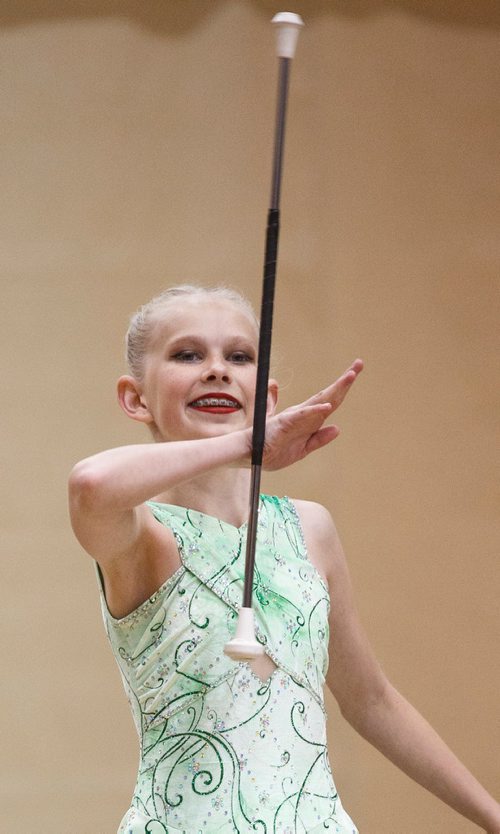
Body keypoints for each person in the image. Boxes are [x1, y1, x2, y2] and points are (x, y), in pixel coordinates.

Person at [69, 284, 500, 834]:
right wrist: (247, 446)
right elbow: (90, 483)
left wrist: (492, 817)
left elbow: (371, 701)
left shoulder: (309, 528)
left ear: (266, 399)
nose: (217, 370)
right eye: (187, 354)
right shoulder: (143, 535)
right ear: (136, 399)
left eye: (239, 356)